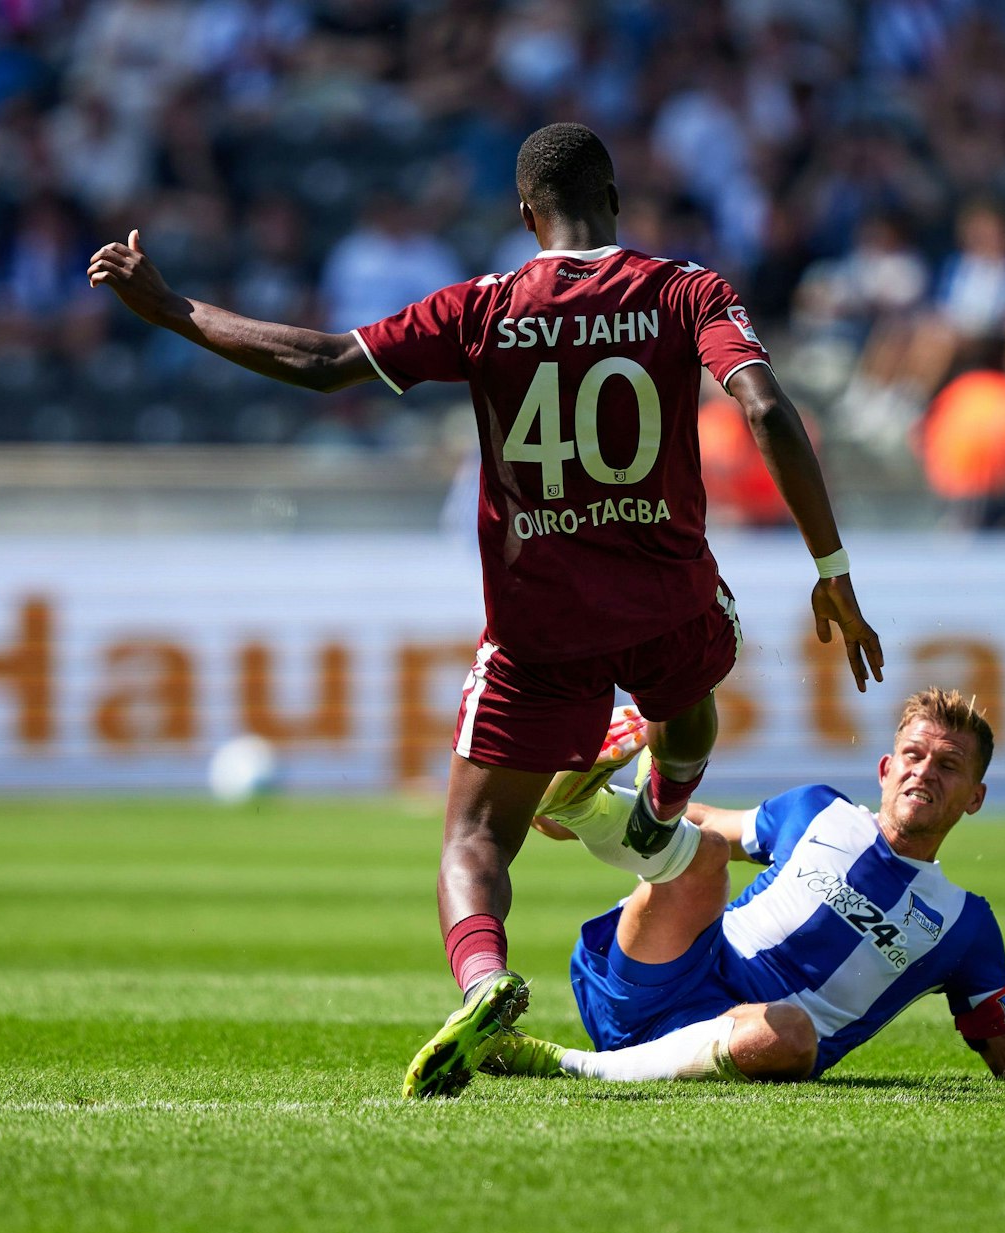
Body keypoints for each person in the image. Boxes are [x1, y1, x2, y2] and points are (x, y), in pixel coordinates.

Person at [86, 122, 884, 1098]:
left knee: (473, 837)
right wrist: (830, 563)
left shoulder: (485, 307)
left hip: (538, 619)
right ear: (618, 201)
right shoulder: (687, 289)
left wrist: (170, 309)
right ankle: (662, 809)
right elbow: (764, 407)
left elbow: (327, 361)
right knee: (696, 680)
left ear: (524, 215)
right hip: (666, 593)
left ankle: (486, 978)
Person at [470, 690, 1005, 1088]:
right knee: (700, 852)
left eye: (947, 767)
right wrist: (594, 822)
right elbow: (700, 822)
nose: (922, 774)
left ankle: (559, 1063)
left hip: (748, 1036)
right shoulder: (816, 811)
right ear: (883, 767)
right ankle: (578, 802)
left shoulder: (965, 927)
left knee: (791, 1034)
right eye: (911, 755)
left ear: (974, 798)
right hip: (661, 974)